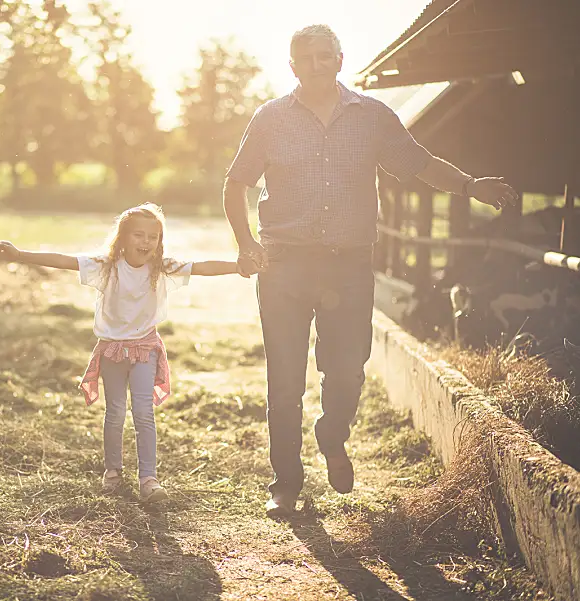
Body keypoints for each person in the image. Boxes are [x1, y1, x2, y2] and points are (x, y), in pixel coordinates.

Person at [222, 24, 519, 519]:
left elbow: (420, 164)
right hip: (285, 267)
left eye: (325, 56)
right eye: (306, 58)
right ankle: (286, 485)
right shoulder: (270, 119)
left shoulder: (373, 117)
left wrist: (470, 186)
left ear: (340, 60)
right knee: (285, 378)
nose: (317, 64)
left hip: (348, 267)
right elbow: (236, 185)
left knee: (348, 369)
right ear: (292, 67)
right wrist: (245, 243)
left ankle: (332, 435)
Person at [0, 203, 242, 503]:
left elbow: (203, 267)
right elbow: (64, 260)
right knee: (115, 413)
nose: (146, 242)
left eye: (153, 236)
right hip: (111, 350)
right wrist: (20, 255)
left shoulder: (161, 267)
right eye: (138, 235)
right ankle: (112, 472)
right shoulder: (106, 265)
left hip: (144, 349)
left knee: (143, 412)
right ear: (122, 237)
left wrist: (238, 266)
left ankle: (148, 479)